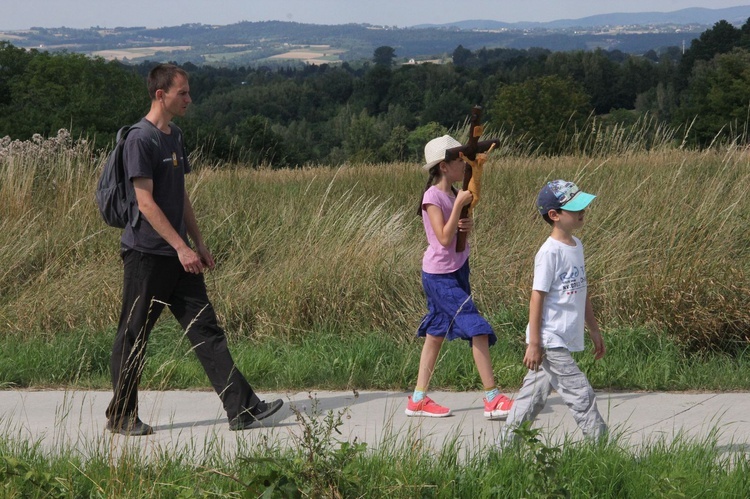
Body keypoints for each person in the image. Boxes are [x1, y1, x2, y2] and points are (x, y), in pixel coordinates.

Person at [105, 63, 282, 436]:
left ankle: (242, 408)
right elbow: (145, 202)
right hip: (146, 255)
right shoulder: (141, 139)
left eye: (188, 92)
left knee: (206, 329)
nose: (189, 98)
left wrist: (198, 243)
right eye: (182, 92)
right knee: (134, 334)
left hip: (178, 255)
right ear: (160, 95)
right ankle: (121, 416)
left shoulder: (175, 136)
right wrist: (180, 247)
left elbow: (180, 194)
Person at [405, 135, 513, 419]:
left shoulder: (454, 193)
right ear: (443, 166)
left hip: (457, 270)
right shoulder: (433, 196)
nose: (464, 166)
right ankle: (492, 398)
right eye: (459, 161)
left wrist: (467, 223)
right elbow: (441, 238)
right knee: (477, 327)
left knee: (436, 334)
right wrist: (456, 209)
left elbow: (455, 232)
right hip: (439, 275)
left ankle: (417, 399)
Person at [496, 179, 607, 448]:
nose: (583, 211)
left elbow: (582, 292)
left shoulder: (576, 245)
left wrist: (593, 329)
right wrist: (535, 343)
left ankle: (502, 452)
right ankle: (603, 449)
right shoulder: (548, 253)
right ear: (554, 216)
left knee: (531, 399)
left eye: (583, 206)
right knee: (581, 393)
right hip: (549, 338)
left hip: (559, 337)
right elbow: (537, 298)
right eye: (575, 207)